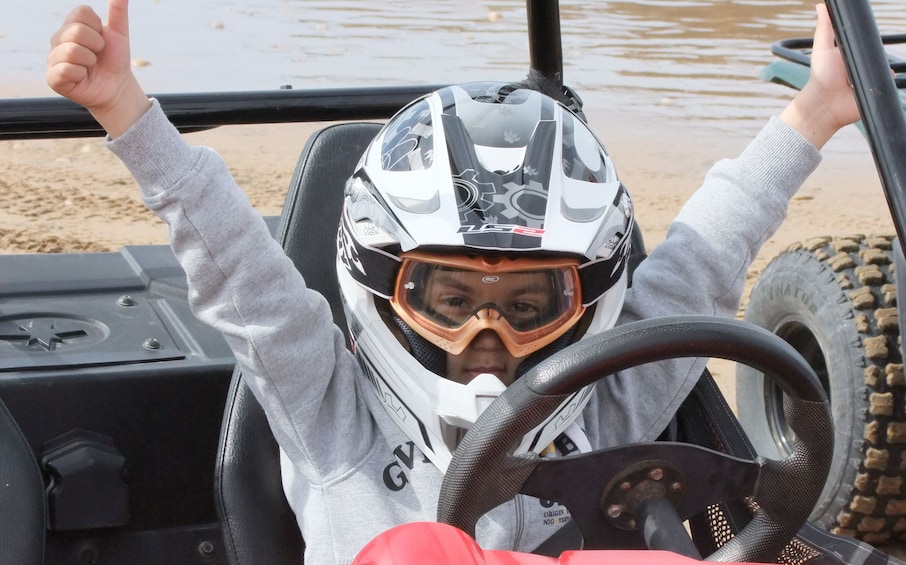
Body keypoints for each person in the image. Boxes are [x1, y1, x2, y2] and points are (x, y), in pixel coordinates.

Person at [46, 1, 860, 563]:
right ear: (386, 289)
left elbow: (706, 254)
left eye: (528, 305)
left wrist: (817, 108)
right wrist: (127, 112)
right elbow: (243, 277)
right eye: (451, 299)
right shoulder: (332, 414)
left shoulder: (615, 398)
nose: (487, 341)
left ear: (586, 305)